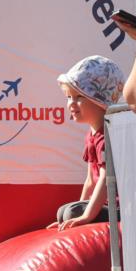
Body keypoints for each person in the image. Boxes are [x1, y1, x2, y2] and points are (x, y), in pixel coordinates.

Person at [46, 56, 124, 231]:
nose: (71, 104)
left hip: (118, 208)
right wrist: (79, 208)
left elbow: (105, 179)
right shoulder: (91, 134)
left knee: (71, 212)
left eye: (79, 97)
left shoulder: (107, 137)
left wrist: (86, 215)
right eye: (68, 97)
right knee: (64, 212)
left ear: (100, 102)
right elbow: (90, 179)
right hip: (102, 204)